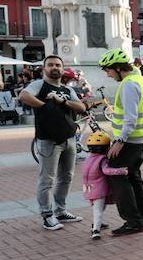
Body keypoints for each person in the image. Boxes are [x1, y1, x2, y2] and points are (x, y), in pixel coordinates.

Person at [19, 55, 90, 231]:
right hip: (48, 140)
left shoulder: (67, 89)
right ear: (44, 69)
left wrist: (63, 102)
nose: (54, 68)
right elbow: (24, 95)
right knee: (47, 179)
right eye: (50, 65)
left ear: (62, 68)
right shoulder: (39, 85)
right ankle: (47, 215)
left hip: (69, 138)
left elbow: (81, 108)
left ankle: (60, 211)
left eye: (57, 65)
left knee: (66, 177)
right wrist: (44, 106)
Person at [98, 49, 143, 235]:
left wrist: (119, 141)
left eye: (108, 70)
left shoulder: (128, 85)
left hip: (130, 140)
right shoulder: (139, 79)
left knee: (116, 175)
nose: (107, 74)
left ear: (118, 67)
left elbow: (130, 118)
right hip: (140, 138)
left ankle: (133, 221)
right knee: (133, 177)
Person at [80, 129, 127, 239]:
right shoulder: (102, 159)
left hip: (89, 188)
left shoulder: (88, 158)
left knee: (100, 208)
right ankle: (95, 230)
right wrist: (121, 171)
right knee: (98, 211)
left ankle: (98, 224)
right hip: (99, 190)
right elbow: (106, 171)